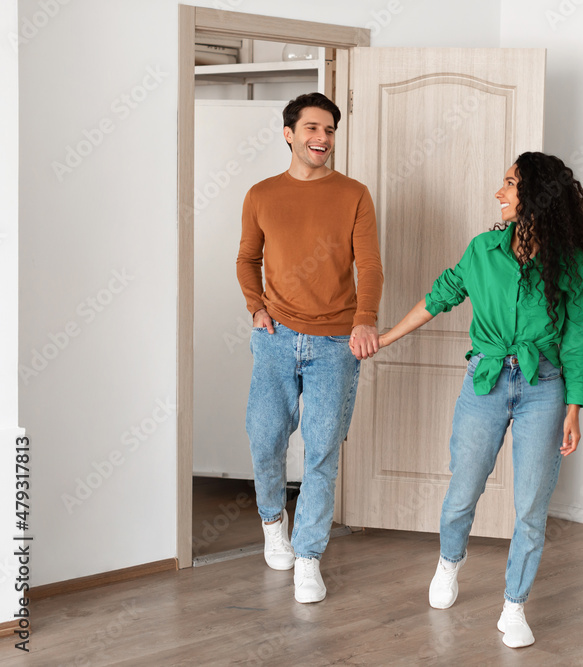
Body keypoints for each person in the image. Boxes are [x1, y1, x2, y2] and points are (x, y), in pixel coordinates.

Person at [377, 152, 583, 648]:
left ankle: (514, 605)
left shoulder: (572, 264)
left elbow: (575, 342)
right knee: (464, 487)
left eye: (509, 184)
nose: (499, 193)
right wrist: (385, 338)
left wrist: (574, 408)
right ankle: (449, 562)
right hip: (485, 381)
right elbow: (439, 296)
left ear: (537, 197)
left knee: (531, 503)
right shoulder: (483, 250)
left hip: (544, 387)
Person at [236, 92, 382, 604]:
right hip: (275, 337)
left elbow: (370, 265)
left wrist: (365, 320)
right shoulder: (261, 194)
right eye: (313, 129)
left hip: (337, 342)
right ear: (289, 134)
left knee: (321, 450)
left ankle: (309, 556)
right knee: (264, 437)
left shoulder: (355, 194)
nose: (323, 139)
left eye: (330, 131)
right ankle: (273, 522)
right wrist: (256, 307)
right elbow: (246, 259)